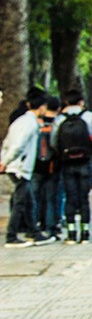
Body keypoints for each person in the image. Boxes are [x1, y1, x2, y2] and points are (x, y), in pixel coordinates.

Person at [1, 95, 56, 248]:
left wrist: (4, 159)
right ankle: (12, 236)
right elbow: (18, 145)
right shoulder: (30, 124)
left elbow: (7, 142)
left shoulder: (20, 121)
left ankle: (34, 232)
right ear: (41, 107)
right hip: (20, 167)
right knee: (20, 202)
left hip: (16, 165)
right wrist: (5, 162)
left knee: (29, 200)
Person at [52, 90, 92, 244]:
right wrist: (90, 151)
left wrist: (62, 153)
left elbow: (54, 141)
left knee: (70, 198)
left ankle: (71, 233)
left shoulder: (59, 119)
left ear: (66, 102)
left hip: (67, 162)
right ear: (81, 101)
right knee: (84, 198)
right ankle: (85, 232)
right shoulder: (89, 116)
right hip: (85, 161)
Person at [32, 95, 63, 238]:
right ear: (58, 108)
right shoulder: (59, 122)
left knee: (34, 195)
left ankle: (34, 224)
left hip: (35, 165)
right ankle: (52, 225)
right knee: (51, 197)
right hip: (53, 165)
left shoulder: (36, 122)